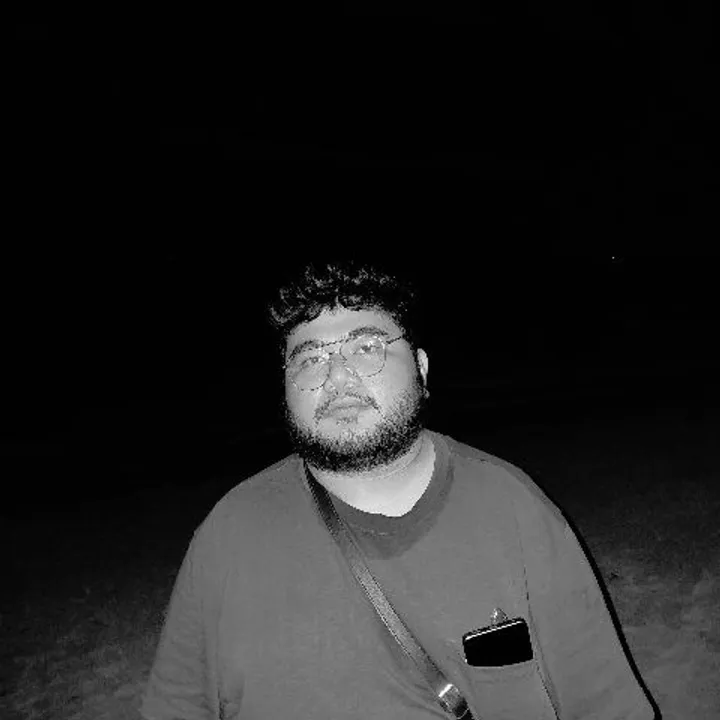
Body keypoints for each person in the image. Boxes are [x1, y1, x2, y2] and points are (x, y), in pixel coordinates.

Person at [140, 259, 656, 719]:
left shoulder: (512, 507)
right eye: (310, 359)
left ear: (422, 369)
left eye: (367, 347)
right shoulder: (230, 534)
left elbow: (605, 704)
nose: (338, 376)